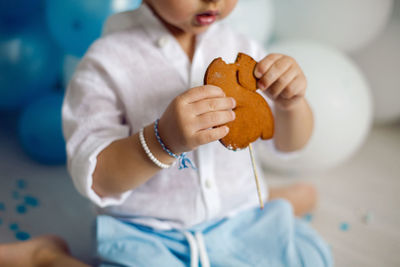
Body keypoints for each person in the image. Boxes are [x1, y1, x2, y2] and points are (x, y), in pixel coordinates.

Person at [0, 0, 332, 266]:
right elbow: (98, 177)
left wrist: (292, 104)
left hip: (239, 217)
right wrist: (162, 140)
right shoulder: (105, 63)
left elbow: (288, 145)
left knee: (312, 259)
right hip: (148, 234)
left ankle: (273, 201)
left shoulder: (244, 49)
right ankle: (44, 257)